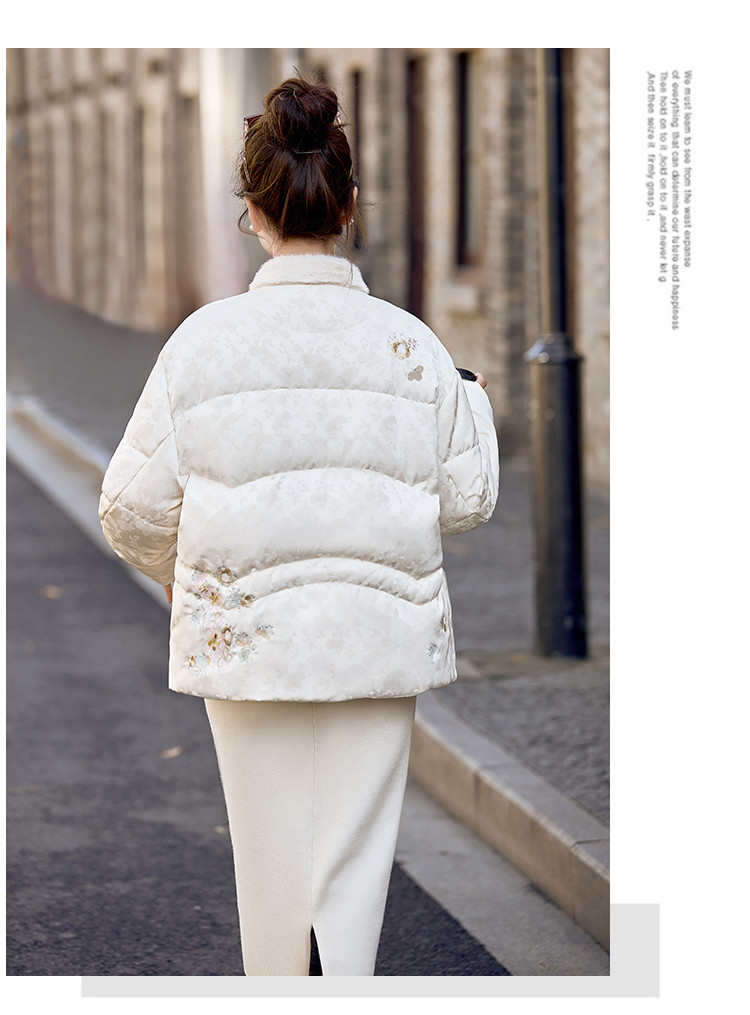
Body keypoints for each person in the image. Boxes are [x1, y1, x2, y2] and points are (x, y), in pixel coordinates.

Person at [99, 74, 499, 977]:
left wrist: (189, 575)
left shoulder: (202, 343)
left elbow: (129, 507)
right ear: (348, 206)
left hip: (248, 637)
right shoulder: (412, 344)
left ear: (252, 211)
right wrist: (475, 404)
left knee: (268, 861)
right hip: (376, 632)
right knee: (355, 867)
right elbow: (468, 500)